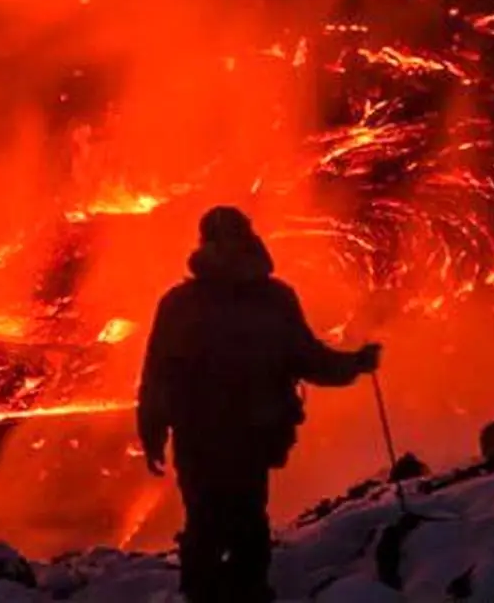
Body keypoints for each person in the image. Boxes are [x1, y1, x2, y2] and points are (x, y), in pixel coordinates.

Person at [137, 205, 382, 603]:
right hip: (239, 435)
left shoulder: (188, 303)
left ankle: (218, 593)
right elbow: (309, 360)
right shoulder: (265, 300)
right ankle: (238, 592)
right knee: (235, 522)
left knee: (217, 523)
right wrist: (353, 365)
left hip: (218, 437)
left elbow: (157, 376)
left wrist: (152, 430)